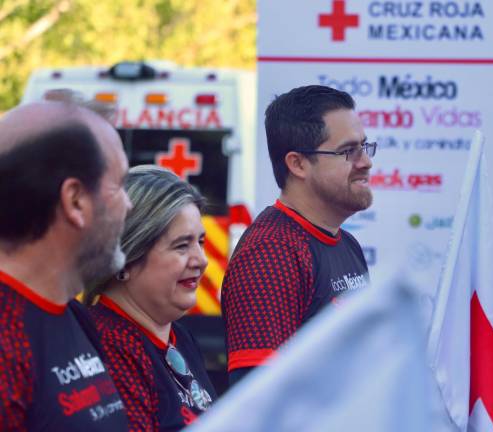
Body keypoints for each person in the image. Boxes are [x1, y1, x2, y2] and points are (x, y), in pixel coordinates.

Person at [222, 85, 374, 384]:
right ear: (298, 164)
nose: (366, 162)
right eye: (348, 151)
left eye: (365, 147)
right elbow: (260, 399)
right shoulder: (270, 254)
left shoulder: (347, 243)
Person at [0, 101, 131, 429]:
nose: (129, 204)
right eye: (119, 185)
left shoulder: (72, 314)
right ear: (75, 201)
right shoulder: (6, 339)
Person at [82, 166, 216, 430]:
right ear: (126, 259)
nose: (201, 260)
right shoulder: (106, 347)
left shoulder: (181, 338)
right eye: (181, 245)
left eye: (200, 242)